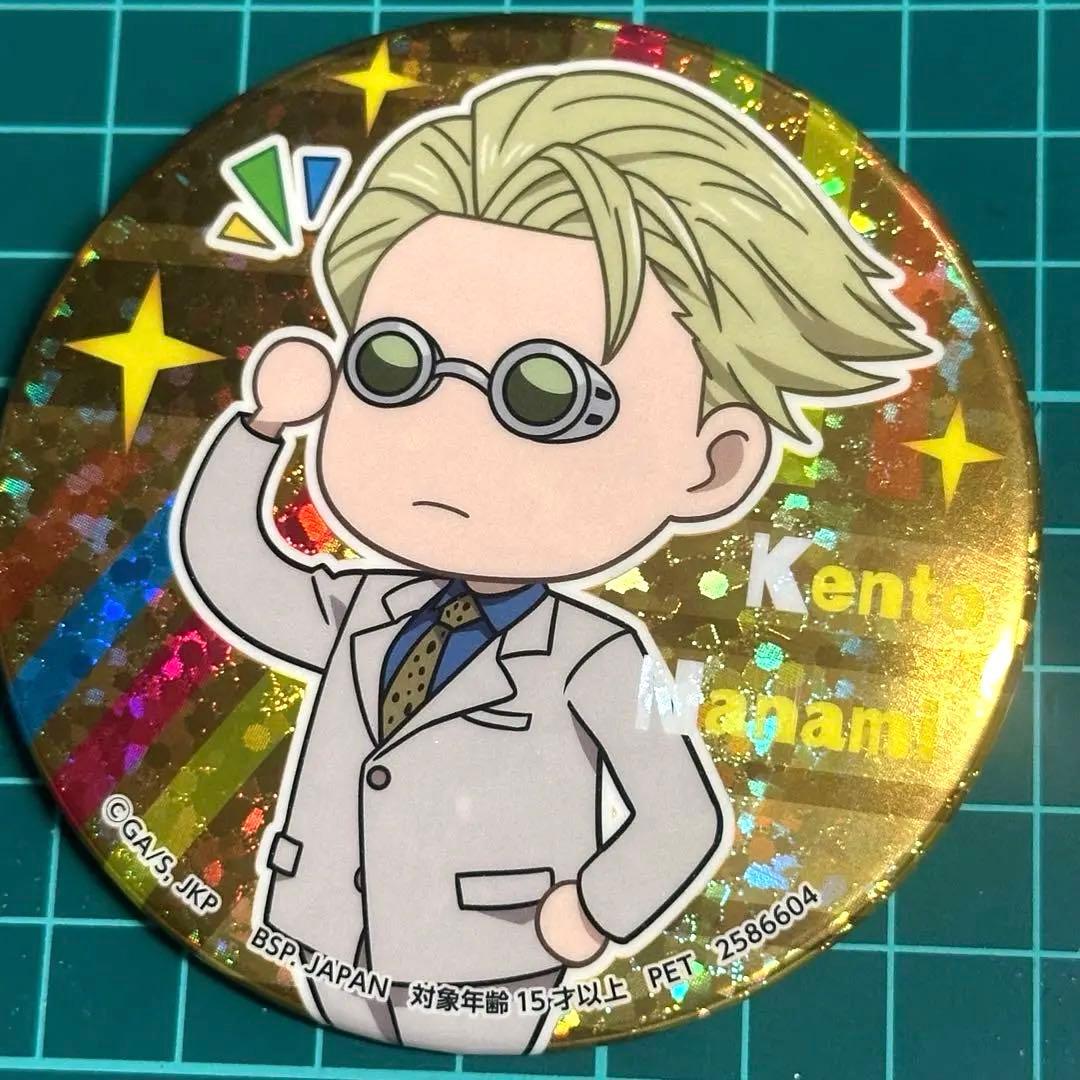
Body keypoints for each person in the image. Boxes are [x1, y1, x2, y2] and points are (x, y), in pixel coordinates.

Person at [172, 60, 938, 1054]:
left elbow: (681, 817)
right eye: (394, 364)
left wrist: (588, 916)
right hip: (314, 932)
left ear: (712, 463)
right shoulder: (363, 607)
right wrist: (260, 430)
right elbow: (234, 574)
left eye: (543, 393)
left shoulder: (596, 655)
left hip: (489, 963)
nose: (444, 431)